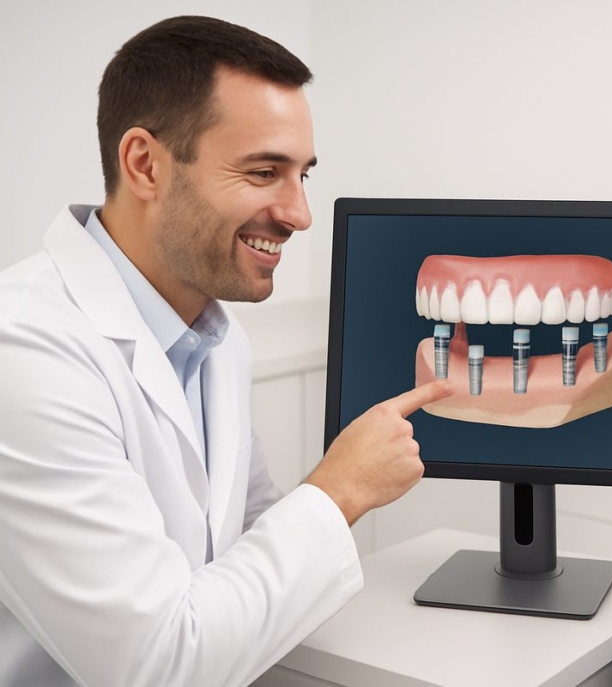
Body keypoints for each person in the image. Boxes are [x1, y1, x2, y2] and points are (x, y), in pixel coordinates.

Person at [0, 15, 451, 686]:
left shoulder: (214, 335)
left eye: (303, 175)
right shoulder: (26, 351)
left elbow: (245, 541)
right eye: (265, 171)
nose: (299, 213)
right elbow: (157, 664)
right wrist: (340, 488)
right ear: (145, 164)